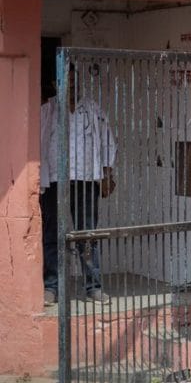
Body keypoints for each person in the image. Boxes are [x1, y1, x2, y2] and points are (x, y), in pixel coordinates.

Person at [40, 66, 116, 305]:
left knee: (87, 235)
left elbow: (107, 141)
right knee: (53, 235)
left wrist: (106, 174)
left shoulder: (92, 109)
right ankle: (52, 287)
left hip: (85, 179)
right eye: (65, 78)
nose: (71, 83)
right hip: (54, 181)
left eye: (74, 78)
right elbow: (37, 143)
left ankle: (93, 287)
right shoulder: (48, 109)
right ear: (55, 82)